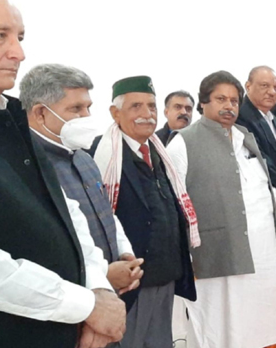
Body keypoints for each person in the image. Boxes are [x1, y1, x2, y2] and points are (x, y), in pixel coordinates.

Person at [0, 1, 126, 347]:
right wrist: (86, 306)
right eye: (0, 36)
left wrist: (99, 291)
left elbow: (68, 216)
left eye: (20, 37)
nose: (19, 53)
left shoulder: (12, 120)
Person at [166, 71, 276, 348]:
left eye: (234, 100)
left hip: (260, 252)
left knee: (256, 324)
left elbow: (263, 189)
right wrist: (183, 253)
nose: (229, 106)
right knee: (218, 326)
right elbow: (175, 202)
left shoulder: (244, 136)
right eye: (220, 99)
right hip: (217, 251)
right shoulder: (184, 142)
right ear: (204, 103)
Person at [91, 76, 197, 347]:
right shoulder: (100, 153)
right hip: (130, 281)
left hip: (166, 274)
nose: (146, 114)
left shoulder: (160, 152)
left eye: (151, 106)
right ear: (115, 113)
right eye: (135, 106)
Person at [21, 64, 143, 296]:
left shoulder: (83, 158)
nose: (86, 116)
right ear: (40, 113)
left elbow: (106, 212)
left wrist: (123, 252)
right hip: (67, 300)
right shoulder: (27, 166)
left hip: (108, 293)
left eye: (88, 107)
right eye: (76, 108)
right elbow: (41, 248)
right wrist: (102, 275)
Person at [236, 66, 276, 241]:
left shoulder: (274, 121)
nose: (272, 92)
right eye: (265, 86)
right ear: (248, 86)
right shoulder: (241, 118)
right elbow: (262, 164)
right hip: (259, 205)